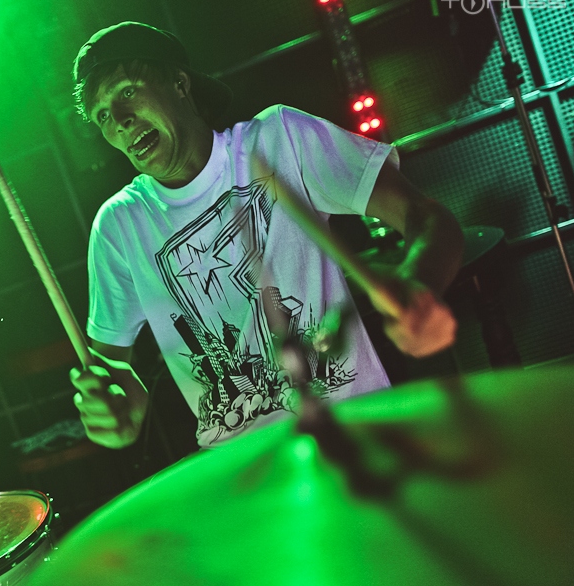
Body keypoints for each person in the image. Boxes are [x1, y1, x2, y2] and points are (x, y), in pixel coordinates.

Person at [69, 22, 463, 450]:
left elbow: (424, 216)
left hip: (359, 435)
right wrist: (115, 406)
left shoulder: (278, 140)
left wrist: (420, 287)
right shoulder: (119, 224)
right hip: (248, 474)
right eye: (102, 115)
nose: (119, 122)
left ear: (179, 84)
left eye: (127, 92)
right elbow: (111, 369)